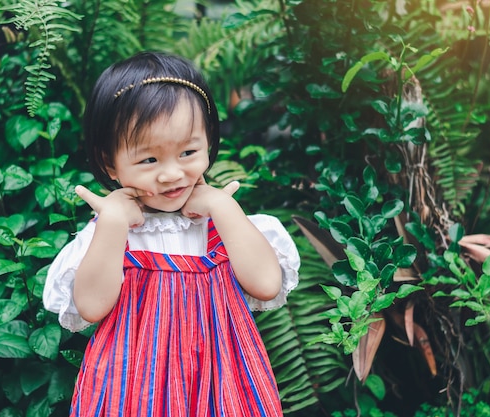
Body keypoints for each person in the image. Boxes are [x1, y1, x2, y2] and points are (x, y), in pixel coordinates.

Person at [44, 51, 300, 416]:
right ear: (108, 162)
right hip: (133, 388)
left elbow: (266, 284)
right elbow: (91, 306)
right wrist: (113, 223)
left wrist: (224, 208)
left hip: (220, 382)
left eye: (188, 152)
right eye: (149, 159)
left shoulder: (223, 224)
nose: (171, 174)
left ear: (209, 143)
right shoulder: (112, 232)